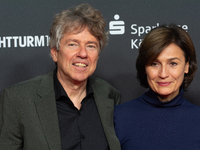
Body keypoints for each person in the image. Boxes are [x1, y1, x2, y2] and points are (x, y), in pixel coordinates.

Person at [0, 3, 121, 150]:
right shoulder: (18, 100)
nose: (83, 53)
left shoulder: (110, 96)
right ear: (54, 52)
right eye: (73, 44)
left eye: (91, 46)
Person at [114, 24, 200, 149]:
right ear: (144, 67)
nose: (163, 74)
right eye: (154, 64)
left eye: (173, 63)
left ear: (186, 66)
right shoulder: (119, 117)